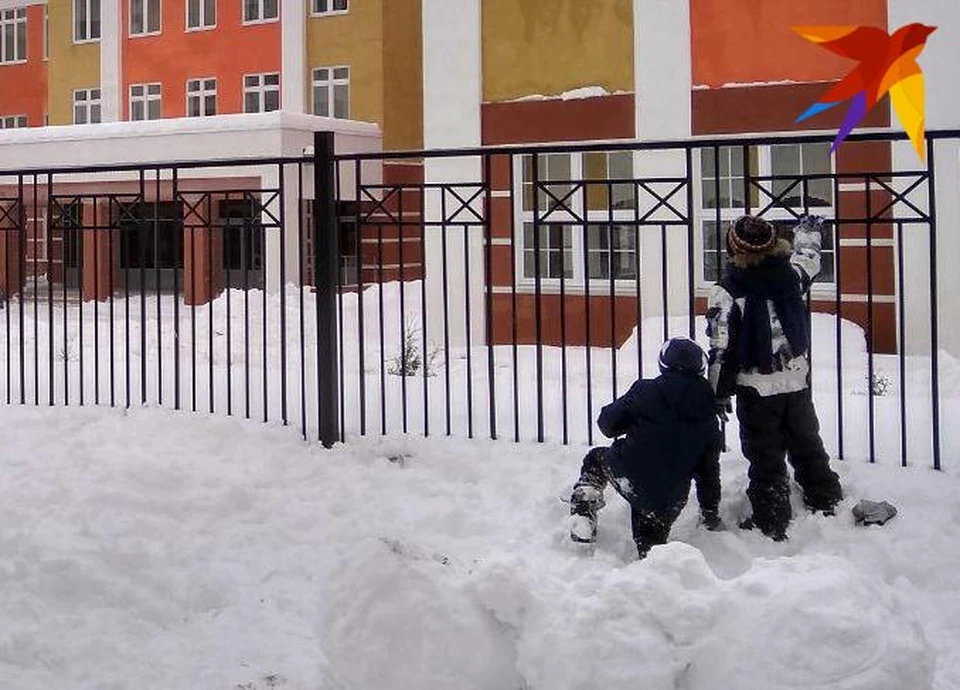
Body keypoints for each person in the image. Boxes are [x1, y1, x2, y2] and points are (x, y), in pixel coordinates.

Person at [706, 214, 842, 541]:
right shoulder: (789, 277)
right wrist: (809, 233)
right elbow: (808, 261)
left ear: (733, 248)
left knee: (764, 452)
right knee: (805, 439)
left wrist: (718, 393)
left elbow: (721, 347)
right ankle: (824, 497)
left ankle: (772, 517)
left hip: (756, 386)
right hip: (796, 378)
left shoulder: (727, 291)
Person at [568, 337, 723, 559]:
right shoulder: (708, 413)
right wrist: (710, 511)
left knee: (595, 459)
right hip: (669, 496)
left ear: (663, 363)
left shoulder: (645, 390)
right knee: (651, 547)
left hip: (628, 470)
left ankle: (584, 508)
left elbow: (607, 425)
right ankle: (651, 567)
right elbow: (708, 469)